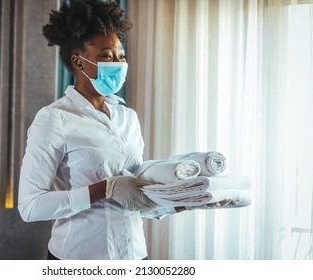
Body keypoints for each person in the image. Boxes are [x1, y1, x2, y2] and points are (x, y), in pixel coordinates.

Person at [18, 0, 229, 260]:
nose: (117, 63)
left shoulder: (127, 117)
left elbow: (134, 200)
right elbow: (30, 207)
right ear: (78, 61)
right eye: (106, 56)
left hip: (135, 257)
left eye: (120, 56)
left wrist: (181, 202)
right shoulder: (54, 119)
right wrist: (104, 188)